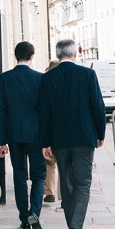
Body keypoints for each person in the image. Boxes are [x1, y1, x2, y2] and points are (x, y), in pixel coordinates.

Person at [39, 39, 106, 229]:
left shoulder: (48, 78)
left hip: (59, 139)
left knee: (66, 182)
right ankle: (76, 228)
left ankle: (71, 225)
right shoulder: (87, 75)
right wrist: (100, 133)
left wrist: (45, 142)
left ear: (58, 55)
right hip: (84, 137)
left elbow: (45, 113)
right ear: (75, 54)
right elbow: (97, 106)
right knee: (83, 183)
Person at [0, 42, 46, 229]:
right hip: (37, 135)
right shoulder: (41, 78)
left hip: (14, 135)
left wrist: (1, 141)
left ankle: (24, 217)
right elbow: (44, 111)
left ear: (15, 55)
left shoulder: (4, 79)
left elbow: (0, 111)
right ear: (32, 57)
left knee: (19, 175)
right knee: (39, 175)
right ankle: (35, 212)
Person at [43, 59, 62, 203]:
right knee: (63, 165)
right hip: (62, 131)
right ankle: (62, 195)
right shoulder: (63, 83)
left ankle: (49, 192)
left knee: (49, 162)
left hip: (49, 130)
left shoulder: (45, 82)